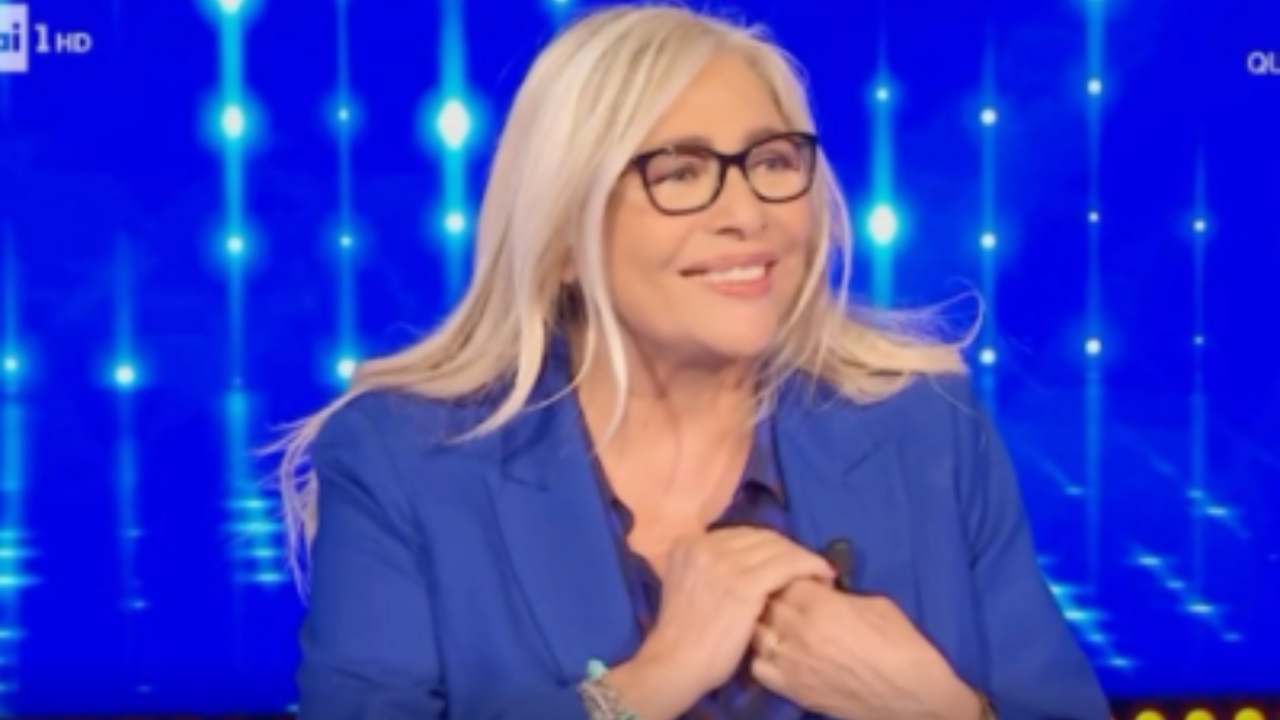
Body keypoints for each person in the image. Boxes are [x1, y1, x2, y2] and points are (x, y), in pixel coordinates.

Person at [270, 4, 1111, 718]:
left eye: (772, 162)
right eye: (678, 173)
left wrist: (938, 712)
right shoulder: (404, 462)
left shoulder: (923, 427)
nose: (747, 212)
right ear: (561, 238)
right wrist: (654, 680)